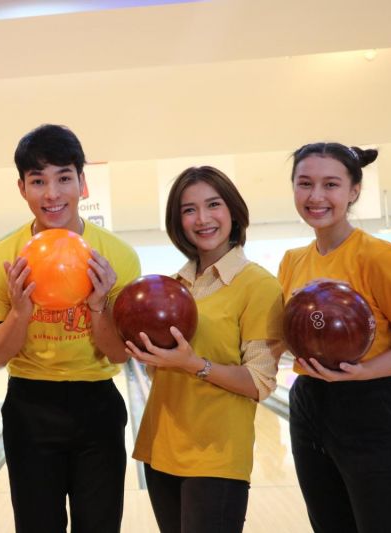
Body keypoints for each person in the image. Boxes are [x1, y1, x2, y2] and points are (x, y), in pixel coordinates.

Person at [0, 124, 141, 533]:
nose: (52, 194)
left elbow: (119, 354)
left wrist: (98, 306)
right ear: (22, 188)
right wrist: (20, 312)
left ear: (82, 183)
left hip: (97, 404)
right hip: (30, 406)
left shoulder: (118, 257)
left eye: (64, 178)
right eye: (38, 181)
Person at [277, 142, 391, 533]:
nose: (316, 196)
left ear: (354, 191)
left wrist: (363, 372)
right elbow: (285, 336)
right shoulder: (292, 261)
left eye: (330, 184)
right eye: (305, 183)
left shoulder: (380, 256)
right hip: (308, 403)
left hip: (372, 405)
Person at [129, 166, 285, 533]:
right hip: (161, 448)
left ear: (233, 210)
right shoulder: (175, 284)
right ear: (178, 221)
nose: (202, 218)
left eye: (213, 205)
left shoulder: (258, 286)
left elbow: (259, 382)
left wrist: (194, 364)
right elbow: (156, 370)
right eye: (189, 209)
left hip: (217, 454)